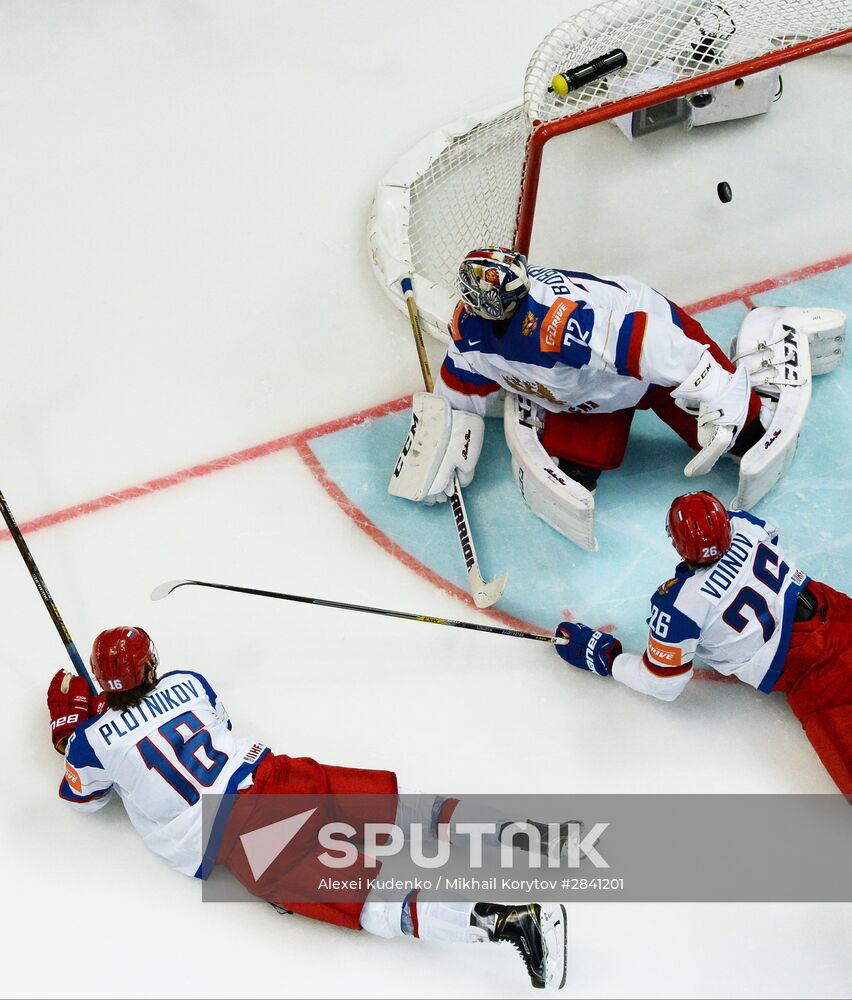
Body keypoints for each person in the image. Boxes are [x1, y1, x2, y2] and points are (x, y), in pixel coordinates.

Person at [47, 627, 567, 990]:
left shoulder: (91, 743)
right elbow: (217, 728)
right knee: (405, 808)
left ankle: (503, 920)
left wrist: (72, 730)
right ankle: (524, 832)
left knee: (370, 899)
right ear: (150, 666)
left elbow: (85, 799)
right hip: (277, 775)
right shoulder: (188, 682)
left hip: (235, 837)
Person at [389, 247, 844, 550]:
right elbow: (465, 374)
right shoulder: (468, 330)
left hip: (658, 361)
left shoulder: (558, 326)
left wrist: (719, 388)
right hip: (591, 396)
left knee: (744, 434)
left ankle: (761, 343)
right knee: (575, 472)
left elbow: (651, 344)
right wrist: (450, 428)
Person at [553, 491, 852, 798]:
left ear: (675, 543)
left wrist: (608, 659)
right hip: (842, 612)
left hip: (818, 678)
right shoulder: (743, 525)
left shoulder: (680, 605)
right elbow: (771, 534)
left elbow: (662, 683)